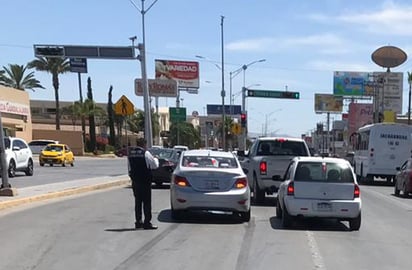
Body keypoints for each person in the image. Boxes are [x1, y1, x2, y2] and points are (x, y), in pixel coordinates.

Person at [128, 139, 159, 230]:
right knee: (146, 203)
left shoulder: (131, 154)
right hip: (145, 181)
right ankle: (147, 223)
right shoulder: (146, 153)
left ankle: (138, 222)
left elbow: (129, 168)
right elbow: (154, 165)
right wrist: (156, 159)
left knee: (138, 202)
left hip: (135, 181)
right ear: (144, 145)